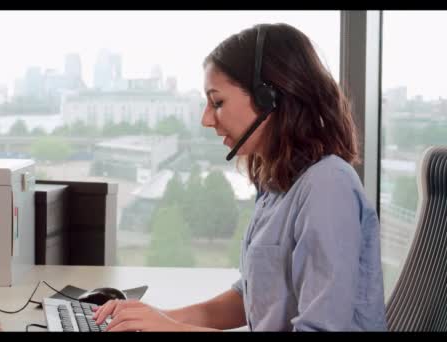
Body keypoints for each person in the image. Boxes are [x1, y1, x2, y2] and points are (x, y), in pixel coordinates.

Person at [92, 23, 387, 332]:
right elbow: (250, 298)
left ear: (268, 97)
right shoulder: (279, 187)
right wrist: (158, 318)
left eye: (217, 102)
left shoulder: (328, 187)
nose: (207, 119)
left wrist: (172, 330)